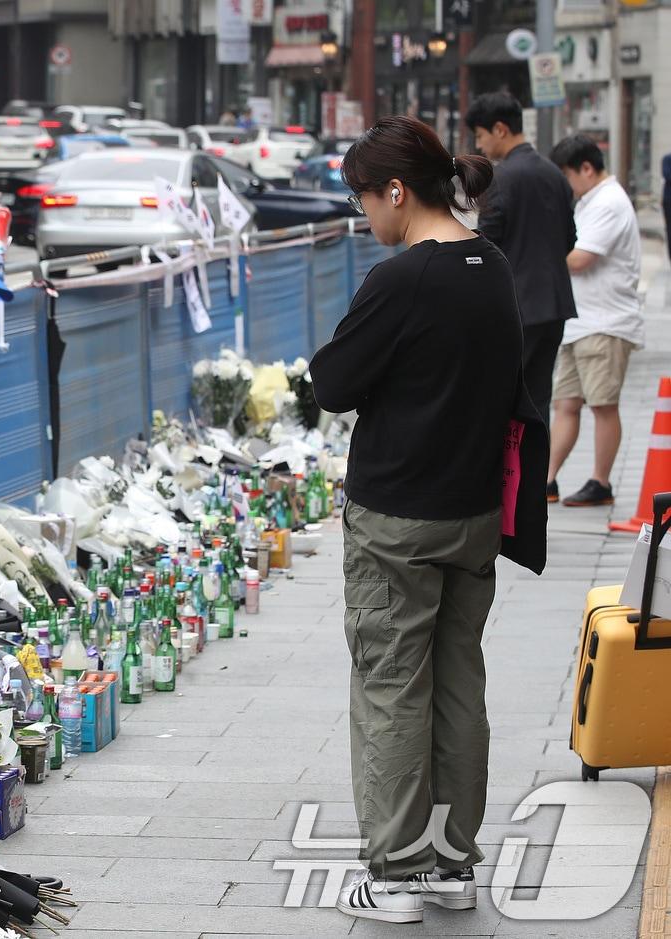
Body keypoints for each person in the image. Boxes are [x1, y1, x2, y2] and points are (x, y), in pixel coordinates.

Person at [311, 115, 536, 925]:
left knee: (391, 686)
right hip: (472, 515)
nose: (364, 216)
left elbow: (332, 382)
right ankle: (450, 863)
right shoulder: (491, 266)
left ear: (396, 191)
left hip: (396, 518)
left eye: (364, 199)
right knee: (456, 687)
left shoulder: (403, 279)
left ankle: (399, 872)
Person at [465, 92, 578, 421]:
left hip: (516, 308)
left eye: (481, 136)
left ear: (500, 129)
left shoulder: (500, 179)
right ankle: (535, 472)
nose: (480, 145)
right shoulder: (555, 174)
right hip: (554, 306)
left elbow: (486, 247)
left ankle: (509, 474)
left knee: (503, 402)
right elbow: (570, 238)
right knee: (538, 401)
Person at [546, 135, 644, 506]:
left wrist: (544, 245)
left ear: (587, 168)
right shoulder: (589, 201)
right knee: (566, 403)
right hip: (581, 320)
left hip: (606, 322)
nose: (566, 185)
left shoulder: (609, 202)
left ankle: (600, 482)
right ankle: (548, 479)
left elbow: (580, 258)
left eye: (567, 175)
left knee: (603, 404)